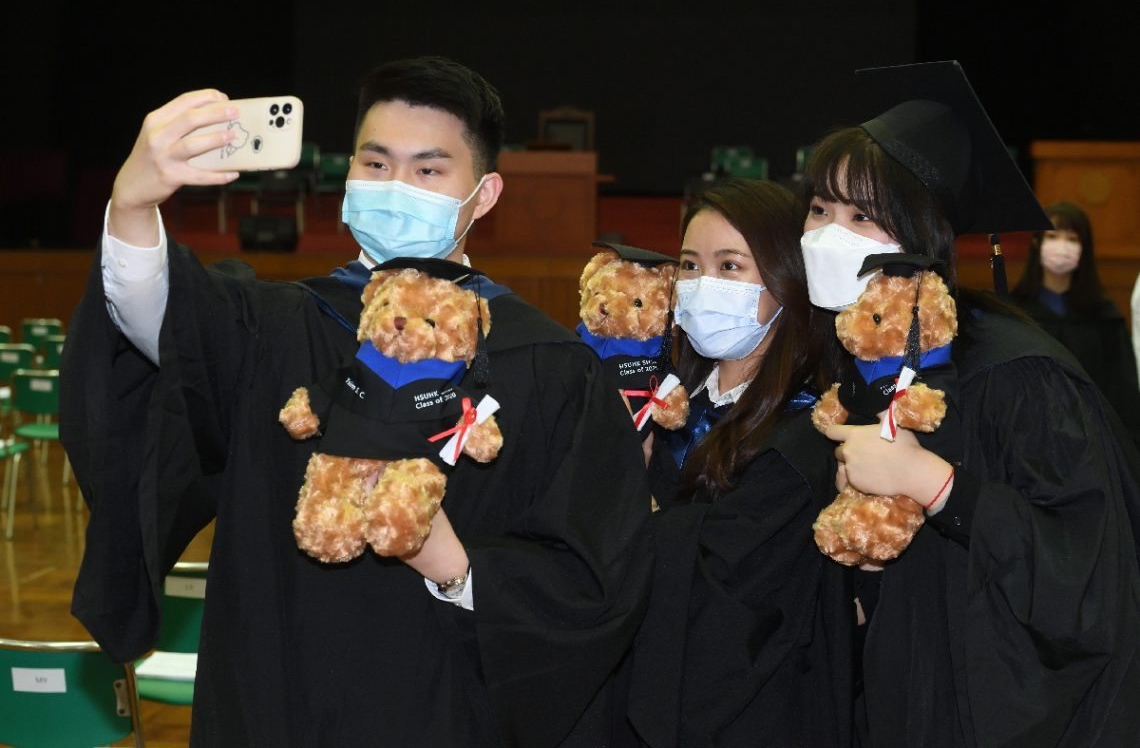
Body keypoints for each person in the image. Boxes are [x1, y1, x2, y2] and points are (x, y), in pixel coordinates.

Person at [60, 56, 652, 747]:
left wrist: (461, 570)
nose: (397, 187)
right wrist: (132, 206)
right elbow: (151, 324)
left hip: (449, 709)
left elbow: (591, 578)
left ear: (484, 194)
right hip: (277, 696)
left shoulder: (550, 369)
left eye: (429, 171)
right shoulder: (276, 324)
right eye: (376, 165)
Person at [799, 60, 1140, 747]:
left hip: (999, 714)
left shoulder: (1018, 375)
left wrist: (938, 486)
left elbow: (1093, 575)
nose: (826, 233)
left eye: (861, 214)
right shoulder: (864, 362)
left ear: (921, 233)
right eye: (819, 208)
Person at [621, 178, 856, 747]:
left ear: (787, 283)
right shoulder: (667, 408)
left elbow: (724, 600)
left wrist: (626, 499)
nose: (702, 286)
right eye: (689, 266)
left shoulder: (805, 439)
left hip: (759, 714)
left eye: (730, 267)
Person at [1010, 201, 1140, 447]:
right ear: (1036, 243)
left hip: (1094, 443)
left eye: (1072, 239)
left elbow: (1123, 395)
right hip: (1028, 440)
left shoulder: (1104, 317)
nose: (1062, 247)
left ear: (1084, 248)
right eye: (1052, 236)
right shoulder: (1014, 313)